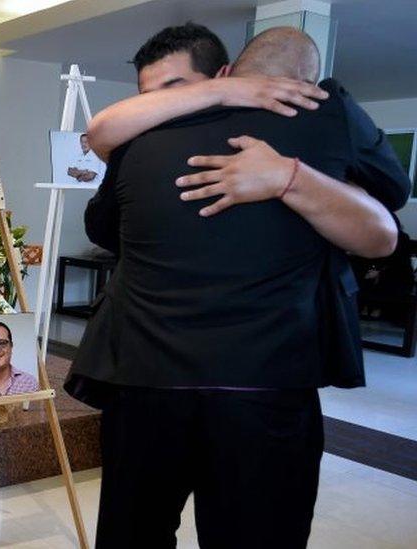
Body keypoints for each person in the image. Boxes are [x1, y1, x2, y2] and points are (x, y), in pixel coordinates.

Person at [65, 26, 411, 549]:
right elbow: (392, 204)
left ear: (224, 73)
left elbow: (105, 227)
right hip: (264, 382)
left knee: (134, 533)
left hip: (148, 379)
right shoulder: (326, 116)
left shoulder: (139, 138)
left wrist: (287, 179)